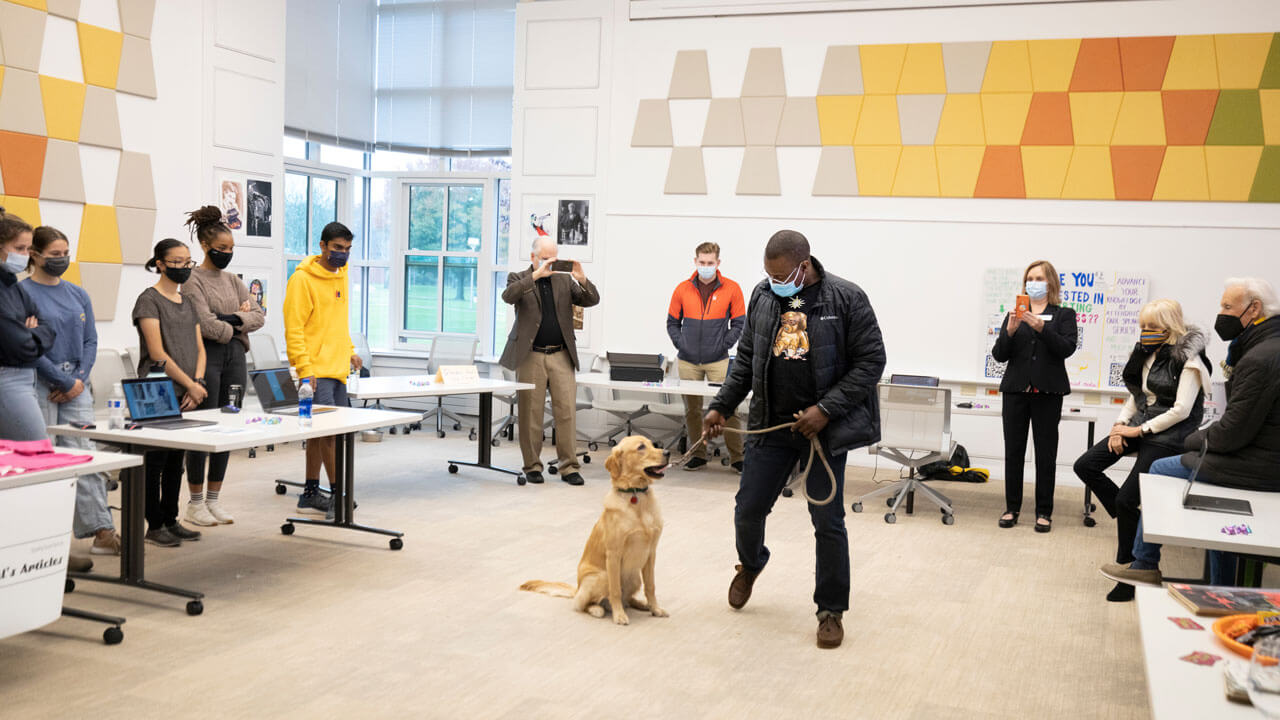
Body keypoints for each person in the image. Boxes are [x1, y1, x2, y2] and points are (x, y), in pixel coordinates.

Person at [704, 230, 886, 650]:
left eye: (782, 275)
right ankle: (751, 564)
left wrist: (826, 410)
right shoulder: (763, 296)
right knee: (748, 509)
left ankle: (830, 611)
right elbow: (746, 358)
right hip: (773, 422)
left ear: (804, 265)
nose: (774, 282)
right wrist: (722, 405)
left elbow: (871, 361)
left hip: (823, 430)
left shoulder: (846, 298)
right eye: (768, 275)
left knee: (827, 521)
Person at [1105, 277, 1280, 589]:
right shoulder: (1263, 349)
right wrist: (1122, 426)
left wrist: (1193, 440)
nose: (1221, 314)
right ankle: (1218, 584)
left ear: (1254, 309)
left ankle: (1146, 564)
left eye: (1227, 306)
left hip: (1259, 464)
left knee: (1160, 469)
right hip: (1259, 455)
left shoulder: (1258, 358)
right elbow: (1138, 396)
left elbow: (1228, 431)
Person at [1072, 300, 1210, 601]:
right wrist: (1118, 426)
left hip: (1169, 436)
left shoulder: (1189, 361)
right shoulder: (1146, 354)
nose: (1145, 332)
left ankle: (1128, 571)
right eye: (1142, 326)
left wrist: (1136, 431)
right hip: (1141, 426)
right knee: (1085, 465)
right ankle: (1127, 516)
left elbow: (1181, 410)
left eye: (1152, 327)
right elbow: (1136, 396)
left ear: (1170, 327)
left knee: (1126, 498)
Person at [22, 226, 121, 556]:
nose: (62, 259)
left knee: (83, 452)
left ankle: (102, 530)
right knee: (44, 460)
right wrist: (61, 380)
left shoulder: (78, 294)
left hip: (77, 385)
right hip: (38, 384)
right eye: (54, 255)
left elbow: (90, 340)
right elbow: (24, 344)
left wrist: (78, 379)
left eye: (65, 253)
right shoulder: (22, 294)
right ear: (34, 255)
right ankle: (45, 542)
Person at [182, 206, 265, 526]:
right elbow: (204, 325)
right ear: (205, 246)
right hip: (207, 357)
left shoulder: (233, 280)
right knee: (204, 427)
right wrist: (239, 320)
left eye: (231, 249)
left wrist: (231, 320)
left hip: (235, 358)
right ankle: (195, 502)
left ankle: (214, 500)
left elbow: (260, 317)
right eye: (222, 248)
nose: (228, 254)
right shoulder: (192, 279)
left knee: (228, 426)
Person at [499, 236, 600, 486]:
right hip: (531, 355)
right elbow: (508, 296)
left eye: (554, 258)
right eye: (545, 258)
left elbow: (591, 299)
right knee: (530, 414)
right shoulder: (519, 278)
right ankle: (532, 466)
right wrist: (535, 276)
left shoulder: (563, 280)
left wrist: (581, 277)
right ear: (533, 257)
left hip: (561, 354)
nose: (550, 263)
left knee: (566, 412)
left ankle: (569, 467)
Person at [991, 260, 1078, 533]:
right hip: (1015, 391)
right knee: (1013, 452)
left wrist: (1042, 328)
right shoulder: (1014, 314)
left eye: (1039, 278)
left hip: (1048, 392)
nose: (1033, 282)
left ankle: (1044, 512)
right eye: (1030, 278)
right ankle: (1012, 507)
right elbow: (999, 355)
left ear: (1050, 282)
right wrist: (1010, 331)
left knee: (1045, 453)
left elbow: (1067, 348)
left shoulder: (1064, 314)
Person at [283, 221, 362, 514]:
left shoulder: (341, 275)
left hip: (338, 369)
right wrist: (304, 369)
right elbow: (294, 330)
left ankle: (311, 493)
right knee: (329, 435)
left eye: (348, 249)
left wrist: (350, 351)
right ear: (322, 246)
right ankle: (339, 495)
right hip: (315, 374)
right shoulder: (302, 280)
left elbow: (338, 323)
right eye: (337, 248)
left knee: (323, 434)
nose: (343, 254)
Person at [133, 239, 207, 547]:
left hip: (190, 389)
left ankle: (170, 518)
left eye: (188, 261)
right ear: (160, 263)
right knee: (156, 462)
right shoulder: (148, 300)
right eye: (177, 261)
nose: (184, 267)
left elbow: (200, 347)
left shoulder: (187, 301)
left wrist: (198, 382)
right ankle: (154, 524)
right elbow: (156, 353)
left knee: (178, 460)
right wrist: (189, 384)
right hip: (157, 390)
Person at [665, 241, 746, 472]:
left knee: (729, 409)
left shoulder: (732, 288)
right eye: (702, 262)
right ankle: (698, 454)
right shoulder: (682, 289)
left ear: (718, 263)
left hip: (718, 361)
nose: (706, 266)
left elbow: (739, 323)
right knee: (692, 410)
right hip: (688, 361)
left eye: (710, 263)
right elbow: (672, 323)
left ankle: (737, 458)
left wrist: (723, 344)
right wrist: (683, 344)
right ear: (695, 261)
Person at [0, 209, 55, 442]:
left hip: (25, 375)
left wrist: (32, 332)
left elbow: (47, 326)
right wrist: (30, 334)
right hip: (8, 378)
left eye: (28, 249)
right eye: (19, 249)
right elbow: (21, 346)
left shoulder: (13, 284)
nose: (25, 256)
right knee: (37, 451)